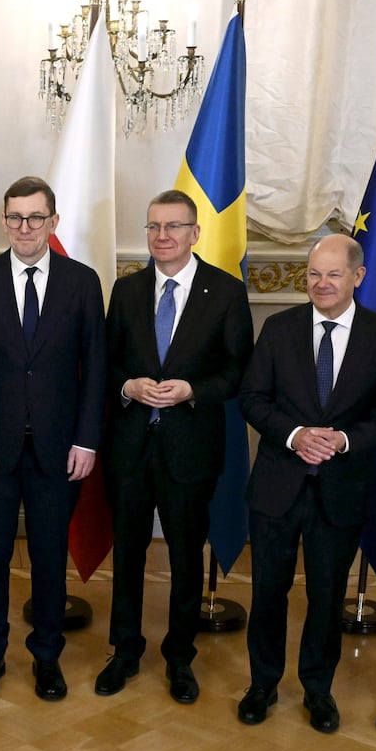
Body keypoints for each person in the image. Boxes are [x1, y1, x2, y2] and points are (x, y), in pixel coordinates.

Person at [237, 235, 376, 732]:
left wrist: (343, 440)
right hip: (276, 486)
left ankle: (317, 689)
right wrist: (295, 435)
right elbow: (252, 398)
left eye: (333, 274)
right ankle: (262, 684)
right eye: (314, 274)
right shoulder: (277, 328)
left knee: (326, 595)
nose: (322, 284)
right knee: (268, 590)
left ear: (357, 277)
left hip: (340, 489)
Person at [94, 188, 253, 704]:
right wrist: (129, 387)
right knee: (129, 555)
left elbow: (238, 371)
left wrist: (192, 391)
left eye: (174, 227)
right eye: (154, 227)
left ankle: (180, 658)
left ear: (195, 233)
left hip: (191, 447)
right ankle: (125, 650)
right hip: (131, 448)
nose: (162, 237)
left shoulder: (225, 292)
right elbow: (107, 364)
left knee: (186, 556)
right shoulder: (127, 291)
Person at [0, 176, 106, 701]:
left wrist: (86, 441)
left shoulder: (82, 283)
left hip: (59, 451)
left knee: (48, 557)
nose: (24, 227)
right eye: (15, 217)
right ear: (3, 222)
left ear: (53, 222)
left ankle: (46, 658)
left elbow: (96, 371)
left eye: (35, 218)